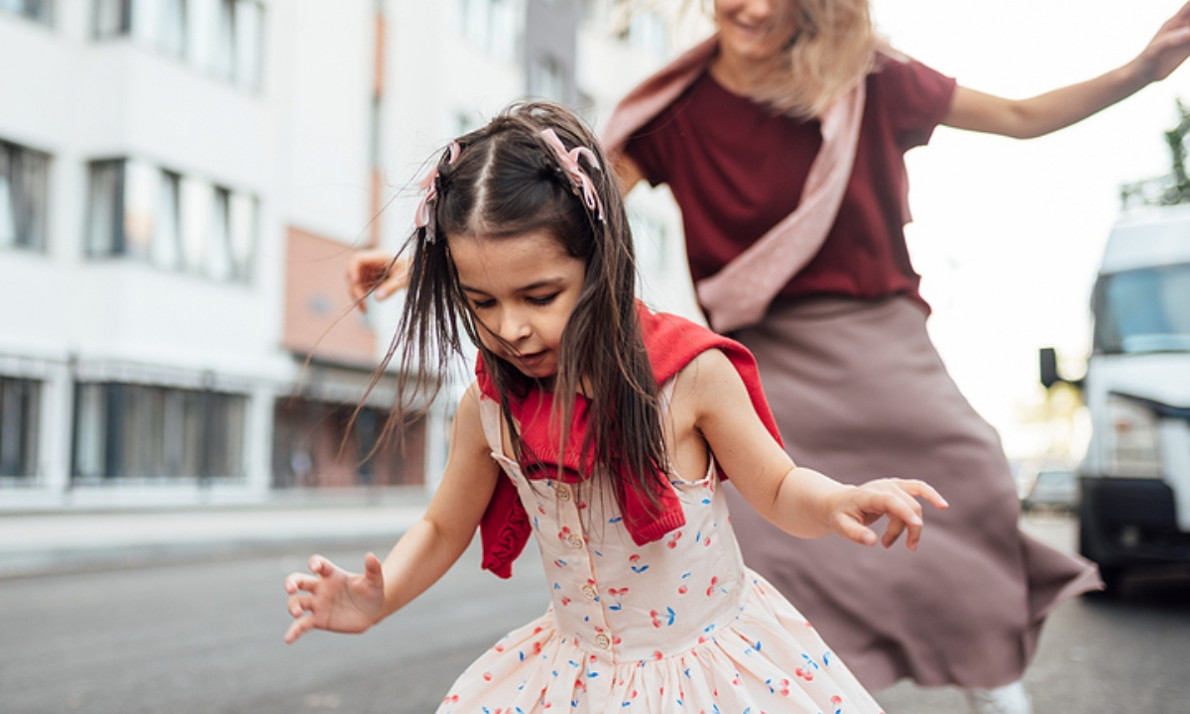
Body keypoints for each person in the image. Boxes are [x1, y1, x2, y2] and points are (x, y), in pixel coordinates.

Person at [347, 3, 1190, 713]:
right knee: (763, 532)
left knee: (965, 479)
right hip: (761, 344)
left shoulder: (868, 81)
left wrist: (1141, 71)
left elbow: (1016, 116)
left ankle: (991, 680)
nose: (744, 4)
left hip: (876, 332)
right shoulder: (675, 109)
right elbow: (538, 221)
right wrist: (408, 264)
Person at [287, 101, 948, 713]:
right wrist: (378, 600)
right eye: (482, 303)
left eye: (540, 296)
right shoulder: (486, 408)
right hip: (578, 682)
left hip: (713, 673)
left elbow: (777, 485)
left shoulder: (689, 378)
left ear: (599, 263)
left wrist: (834, 502)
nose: (511, 328)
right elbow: (441, 528)